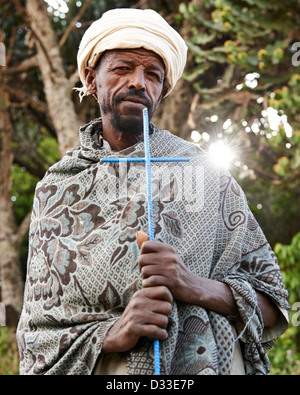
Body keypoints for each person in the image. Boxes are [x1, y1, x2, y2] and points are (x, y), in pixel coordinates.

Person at [17, 8, 289, 376]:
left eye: (153, 75)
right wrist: (113, 334)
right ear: (91, 79)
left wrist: (190, 285)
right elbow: (38, 330)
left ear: (162, 90)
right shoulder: (57, 186)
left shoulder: (206, 174)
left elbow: (272, 303)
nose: (138, 82)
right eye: (122, 68)